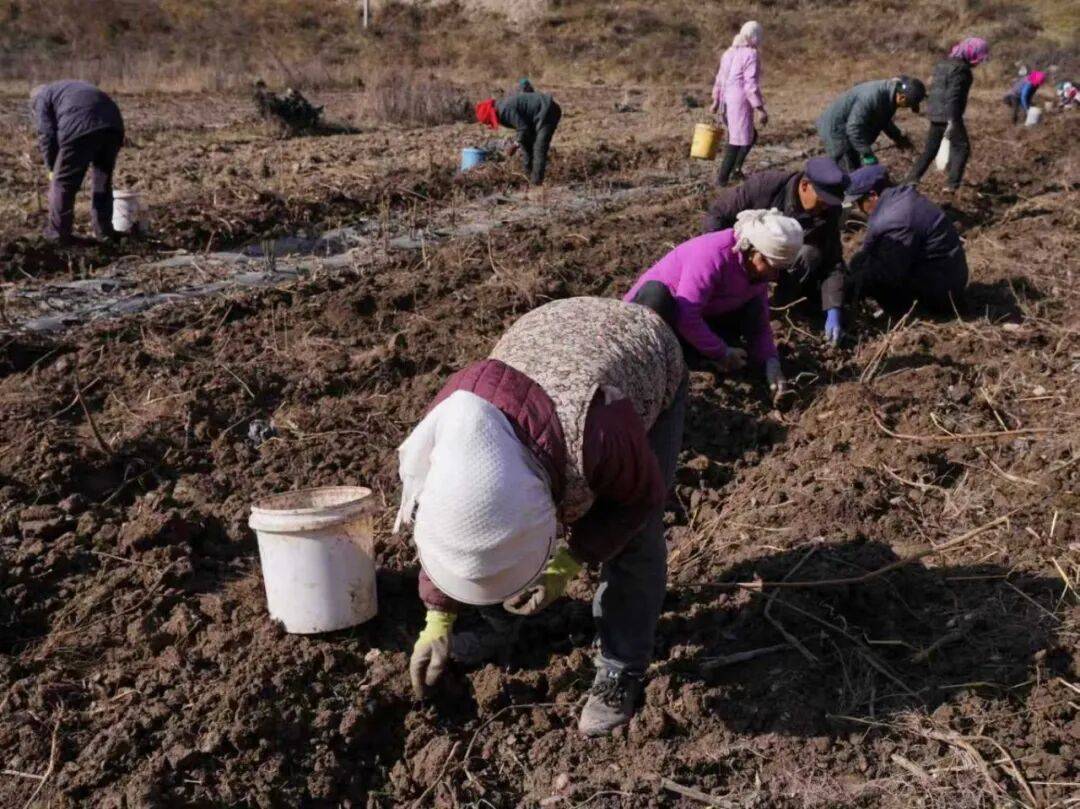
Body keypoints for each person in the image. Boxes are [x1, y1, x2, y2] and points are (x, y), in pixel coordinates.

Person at [398, 297, 687, 737]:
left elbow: (638, 501)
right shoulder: (452, 425)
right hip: (546, 340)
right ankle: (501, 627)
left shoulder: (599, 433)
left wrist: (567, 563)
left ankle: (621, 668)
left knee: (635, 541)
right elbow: (453, 523)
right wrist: (437, 617)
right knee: (488, 540)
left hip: (639, 354)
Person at [624, 208, 804, 397]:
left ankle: (691, 357)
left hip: (696, 321)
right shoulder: (712, 255)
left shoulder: (756, 274)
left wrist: (771, 361)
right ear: (752, 251)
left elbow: (759, 323)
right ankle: (651, 366)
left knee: (750, 312)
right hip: (660, 315)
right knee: (657, 296)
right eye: (772, 267)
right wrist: (721, 352)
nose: (774, 277)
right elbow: (686, 314)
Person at [703, 157, 850, 343]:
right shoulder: (765, 187)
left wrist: (833, 308)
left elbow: (832, 260)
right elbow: (717, 214)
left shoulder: (828, 211)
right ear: (805, 185)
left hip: (781, 264)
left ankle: (778, 307)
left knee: (810, 254)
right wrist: (722, 260)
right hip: (743, 253)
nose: (825, 207)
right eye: (822, 201)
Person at [844, 165, 968, 315]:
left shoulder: (896, 220)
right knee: (861, 262)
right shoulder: (903, 198)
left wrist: (848, 290)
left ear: (873, 195)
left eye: (859, 202)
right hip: (945, 276)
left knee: (874, 277)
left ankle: (909, 314)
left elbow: (888, 272)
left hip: (941, 293)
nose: (859, 208)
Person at [30, 80, 125, 245]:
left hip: (80, 128)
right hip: (113, 126)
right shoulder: (64, 89)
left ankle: (58, 234)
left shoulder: (41, 98)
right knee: (102, 180)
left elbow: (46, 135)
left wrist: (52, 168)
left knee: (63, 183)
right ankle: (104, 232)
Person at [905, 37, 990, 191]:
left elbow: (936, 91)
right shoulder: (962, 70)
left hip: (935, 113)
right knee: (962, 147)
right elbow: (954, 94)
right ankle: (952, 185)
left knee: (930, 149)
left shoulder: (941, 65)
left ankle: (912, 178)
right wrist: (952, 119)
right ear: (972, 54)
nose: (978, 62)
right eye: (978, 58)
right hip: (950, 114)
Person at [816, 76, 925, 170]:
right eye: (908, 105)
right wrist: (867, 153)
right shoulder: (872, 97)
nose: (906, 108)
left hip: (849, 127)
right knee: (849, 175)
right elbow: (853, 128)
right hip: (835, 130)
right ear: (902, 97)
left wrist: (898, 138)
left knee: (856, 168)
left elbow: (884, 120)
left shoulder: (892, 95)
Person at [710, 20, 767, 185]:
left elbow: (720, 78)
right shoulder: (751, 54)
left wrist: (716, 101)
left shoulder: (728, 53)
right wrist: (760, 108)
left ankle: (735, 170)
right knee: (736, 142)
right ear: (754, 36)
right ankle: (723, 179)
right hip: (739, 104)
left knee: (748, 136)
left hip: (726, 102)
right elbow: (750, 84)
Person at [475, 89, 562, 185]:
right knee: (526, 144)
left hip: (546, 110)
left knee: (539, 148)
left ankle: (536, 184)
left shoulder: (504, 110)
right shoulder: (501, 108)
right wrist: (520, 142)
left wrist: (514, 145)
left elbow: (523, 128)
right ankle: (527, 176)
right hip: (536, 116)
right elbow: (524, 130)